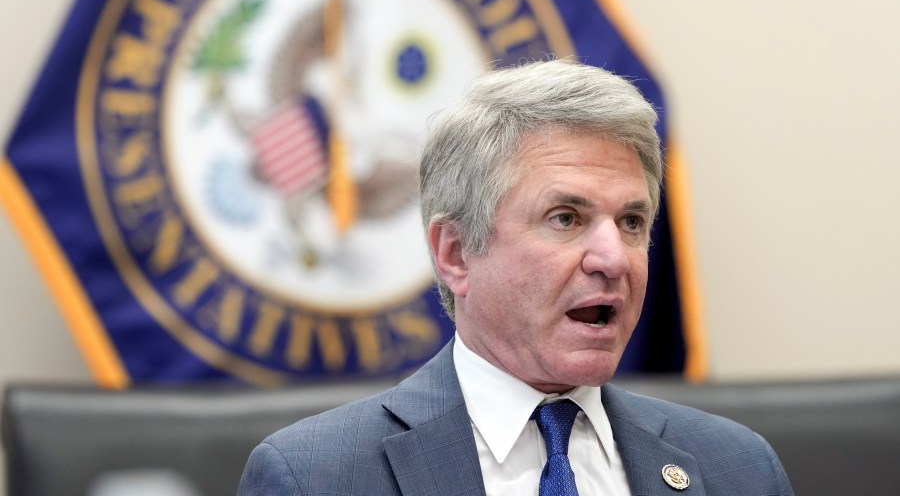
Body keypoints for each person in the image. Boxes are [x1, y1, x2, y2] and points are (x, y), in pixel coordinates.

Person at [238, 59, 795, 495]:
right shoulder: (315, 478)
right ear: (456, 253)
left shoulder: (738, 469)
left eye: (631, 221)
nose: (614, 258)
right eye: (566, 218)